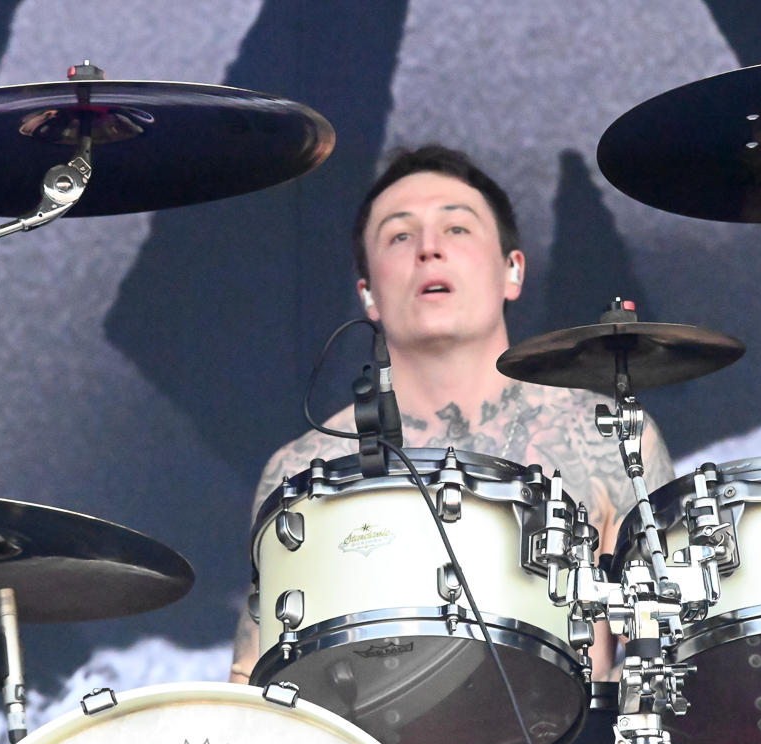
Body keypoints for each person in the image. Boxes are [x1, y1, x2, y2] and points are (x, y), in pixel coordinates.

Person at [229, 145, 674, 684]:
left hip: (565, 734)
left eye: (457, 228)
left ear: (512, 270)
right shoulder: (303, 468)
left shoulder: (608, 436)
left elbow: (665, 649)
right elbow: (252, 681)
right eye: (399, 236)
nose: (429, 249)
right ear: (367, 296)